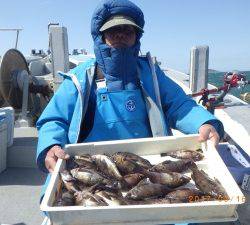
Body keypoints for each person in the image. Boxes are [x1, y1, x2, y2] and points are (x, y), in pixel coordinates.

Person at [36, 0, 223, 205]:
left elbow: (179, 105)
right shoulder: (79, 79)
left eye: (128, 30)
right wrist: (51, 144)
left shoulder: (151, 74)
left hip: (148, 165)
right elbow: (54, 119)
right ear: (101, 35)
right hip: (90, 166)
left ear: (137, 36)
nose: (121, 35)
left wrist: (204, 122)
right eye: (113, 30)